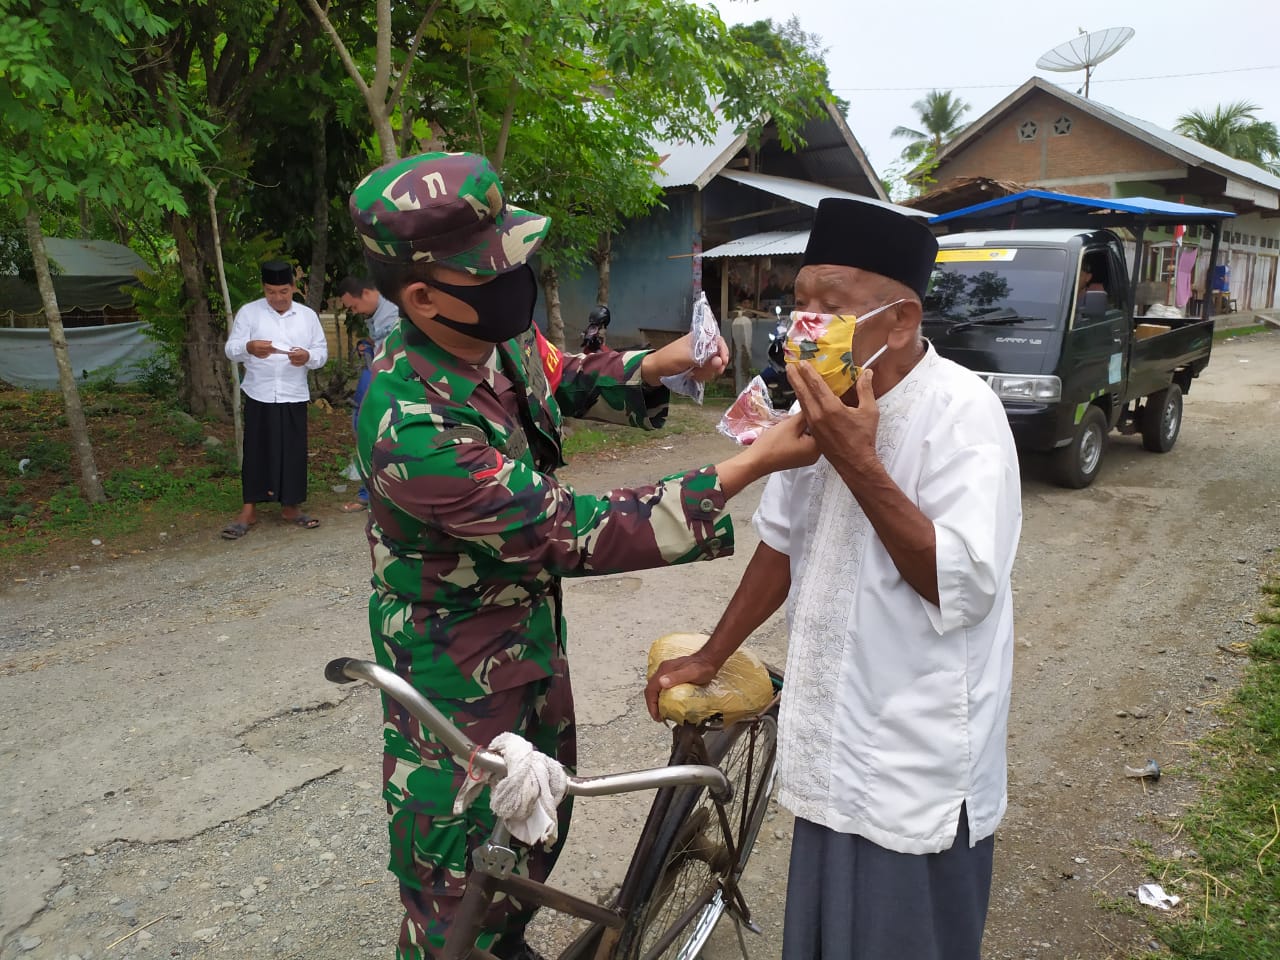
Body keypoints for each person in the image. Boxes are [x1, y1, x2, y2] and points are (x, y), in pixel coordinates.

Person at [346, 150, 816, 960]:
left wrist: (662, 362)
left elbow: (560, 376)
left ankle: (505, 936)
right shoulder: (410, 423)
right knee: (456, 877)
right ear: (421, 297)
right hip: (453, 675)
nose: (516, 285)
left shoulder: (484, 336)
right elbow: (567, 530)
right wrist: (749, 465)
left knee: (535, 825)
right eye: (494, 274)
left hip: (526, 644)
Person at [647, 198, 1023, 960]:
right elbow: (779, 547)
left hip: (914, 751)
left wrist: (859, 459)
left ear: (902, 318)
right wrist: (711, 655)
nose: (806, 322)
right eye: (802, 302)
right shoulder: (821, 399)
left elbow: (961, 586)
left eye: (833, 305)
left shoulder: (964, 415)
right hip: (833, 734)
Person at [221, 260, 329, 539]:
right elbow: (231, 349)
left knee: (292, 451)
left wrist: (307, 357)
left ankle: (290, 507)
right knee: (257, 450)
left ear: (293, 287)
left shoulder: (307, 316)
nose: (277, 298)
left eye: (283, 291)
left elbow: (321, 353)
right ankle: (249, 510)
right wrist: (249, 347)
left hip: (293, 394)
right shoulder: (249, 313)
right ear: (263, 289)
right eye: (271, 292)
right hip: (259, 392)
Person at [338, 276, 402, 511]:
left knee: (375, 429)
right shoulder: (377, 312)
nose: (354, 311)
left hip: (397, 379)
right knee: (362, 425)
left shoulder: (397, 306)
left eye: (353, 306)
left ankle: (383, 494)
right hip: (379, 373)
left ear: (366, 293)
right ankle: (369, 493)